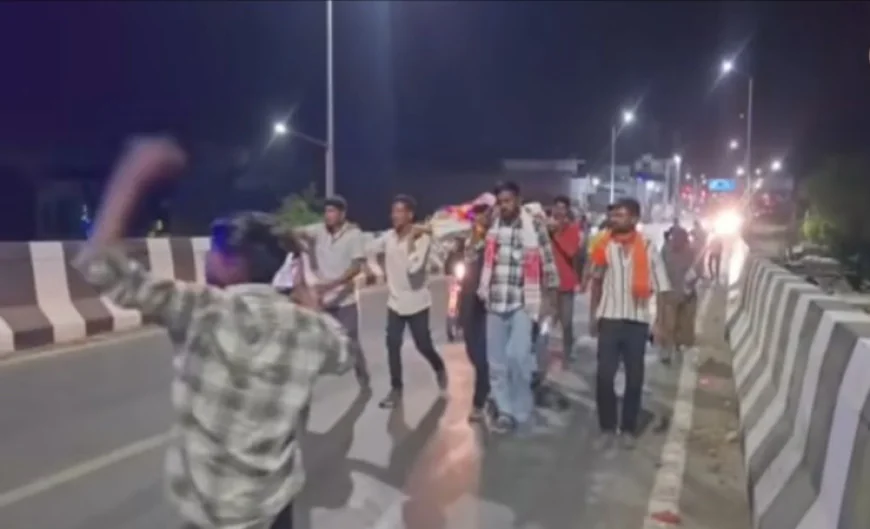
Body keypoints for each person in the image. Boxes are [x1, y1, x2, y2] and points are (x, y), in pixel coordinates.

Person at [74, 138, 354, 529]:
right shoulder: (309, 328)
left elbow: (100, 265)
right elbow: (342, 352)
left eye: (215, 251)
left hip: (210, 512)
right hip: (271, 509)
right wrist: (309, 293)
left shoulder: (202, 309)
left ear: (233, 262)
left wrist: (133, 175)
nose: (208, 258)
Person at [588, 198, 671, 450]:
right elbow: (596, 281)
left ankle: (627, 428)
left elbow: (662, 288)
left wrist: (660, 323)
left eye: (621, 215)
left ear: (634, 219)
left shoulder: (648, 247)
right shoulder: (603, 245)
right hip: (609, 319)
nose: (614, 219)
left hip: (637, 322)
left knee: (634, 379)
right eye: (614, 215)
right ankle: (607, 427)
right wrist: (593, 315)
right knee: (604, 377)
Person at [477, 181, 559, 434]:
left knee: (518, 355)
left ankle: (521, 407)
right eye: (500, 202)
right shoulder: (492, 224)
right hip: (494, 300)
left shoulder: (533, 225)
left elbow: (548, 261)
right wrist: (478, 229)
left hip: (523, 301)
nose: (504, 206)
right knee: (496, 362)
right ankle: (505, 411)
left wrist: (550, 299)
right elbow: (472, 250)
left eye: (508, 201)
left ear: (518, 200)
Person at [369, 194, 448, 409]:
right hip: (395, 303)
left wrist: (412, 240)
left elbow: (414, 268)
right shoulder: (388, 237)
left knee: (423, 345)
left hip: (417, 302)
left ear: (410, 215)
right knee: (392, 344)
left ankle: (439, 367)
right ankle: (396, 389)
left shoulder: (423, 240)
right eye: (393, 211)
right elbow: (369, 250)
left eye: (400, 211)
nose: (395, 215)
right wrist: (378, 272)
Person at [295, 195, 371, 387]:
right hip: (323, 300)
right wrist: (305, 245)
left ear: (342, 214)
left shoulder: (354, 235)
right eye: (326, 211)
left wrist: (332, 284)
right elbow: (295, 233)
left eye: (332, 211)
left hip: (345, 300)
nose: (327, 215)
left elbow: (356, 267)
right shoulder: (318, 230)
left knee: (351, 342)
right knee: (316, 341)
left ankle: (362, 373)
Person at [459, 203, 493, 422]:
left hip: (487, 302)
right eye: (476, 216)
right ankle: (487, 388)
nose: (479, 219)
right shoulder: (468, 241)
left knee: (482, 354)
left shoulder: (494, 239)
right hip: (468, 300)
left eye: (483, 215)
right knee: (471, 350)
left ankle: (480, 401)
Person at [547, 195, 582, 362]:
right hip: (548, 283)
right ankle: (541, 351)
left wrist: (556, 235)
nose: (559, 211)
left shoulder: (573, 229)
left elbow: (571, 251)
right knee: (546, 321)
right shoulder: (545, 228)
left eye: (563, 208)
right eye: (557, 207)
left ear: (567, 210)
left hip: (566, 283)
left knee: (566, 321)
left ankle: (568, 350)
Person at [659, 226, 698, 364]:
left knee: (684, 324)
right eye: (674, 238)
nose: (676, 242)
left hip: (687, 295)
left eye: (680, 239)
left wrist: (690, 285)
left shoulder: (691, 252)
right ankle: (666, 351)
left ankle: (678, 345)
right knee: (668, 325)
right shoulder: (665, 250)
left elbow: (697, 271)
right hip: (669, 295)